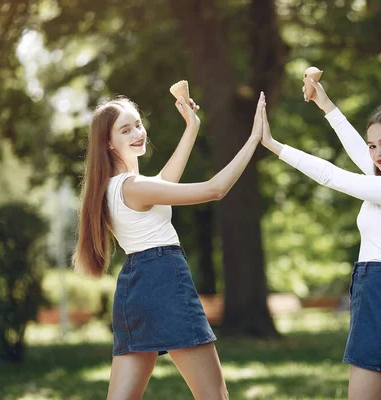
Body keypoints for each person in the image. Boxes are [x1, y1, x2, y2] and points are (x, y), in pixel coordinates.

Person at [73, 91, 267, 400]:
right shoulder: (133, 187)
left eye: (137, 124)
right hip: (164, 279)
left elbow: (166, 180)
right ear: (109, 143)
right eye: (126, 130)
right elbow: (215, 190)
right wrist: (254, 139)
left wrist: (191, 127)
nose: (138, 134)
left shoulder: (113, 187)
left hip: (134, 286)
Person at [261, 79, 381, 400]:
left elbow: (331, 175)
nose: (377, 153)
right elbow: (357, 149)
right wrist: (325, 104)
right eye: (373, 146)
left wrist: (274, 145)